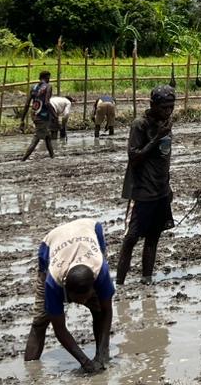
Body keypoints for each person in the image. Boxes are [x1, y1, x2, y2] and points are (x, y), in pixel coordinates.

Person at [24, 218, 114, 373]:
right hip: (52, 242)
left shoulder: (100, 271)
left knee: (98, 309)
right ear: (66, 292)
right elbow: (59, 328)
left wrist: (102, 353)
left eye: (86, 297)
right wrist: (84, 362)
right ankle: (31, 373)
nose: (83, 303)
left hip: (88, 229)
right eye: (78, 300)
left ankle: (101, 356)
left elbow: (107, 311)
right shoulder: (53, 283)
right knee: (40, 322)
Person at [119, 85, 175, 285]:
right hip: (142, 191)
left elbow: (164, 158)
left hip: (160, 190)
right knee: (131, 238)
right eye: (163, 108)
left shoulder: (166, 122)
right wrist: (157, 137)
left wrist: (167, 186)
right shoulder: (140, 125)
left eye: (171, 107)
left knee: (153, 237)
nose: (168, 112)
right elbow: (134, 157)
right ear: (152, 105)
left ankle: (147, 279)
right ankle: (120, 283)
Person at [22, 70, 56, 161]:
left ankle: (52, 156)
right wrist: (55, 115)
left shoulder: (33, 87)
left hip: (34, 114)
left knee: (47, 136)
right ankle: (23, 159)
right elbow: (47, 103)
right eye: (49, 78)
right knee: (36, 138)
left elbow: (27, 104)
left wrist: (22, 119)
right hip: (43, 116)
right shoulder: (48, 87)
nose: (49, 79)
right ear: (47, 78)